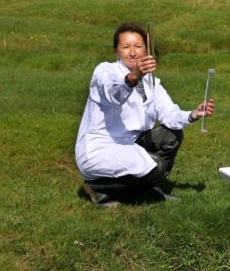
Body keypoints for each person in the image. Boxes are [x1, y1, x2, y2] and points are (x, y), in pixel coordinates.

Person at [75, 22, 214, 208]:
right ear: (116, 50)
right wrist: (134, 76)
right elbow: (113, 94)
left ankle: (146, 186)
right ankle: (100, 189)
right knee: (157, 168)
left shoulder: (152, 83)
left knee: (171, 135)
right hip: (101, 148)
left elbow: (170, 114)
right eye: (126, 47)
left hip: (131, 142)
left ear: (146, 50)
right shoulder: (104, 72)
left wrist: (193, 114)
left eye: (138, 46)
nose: (133, 52)